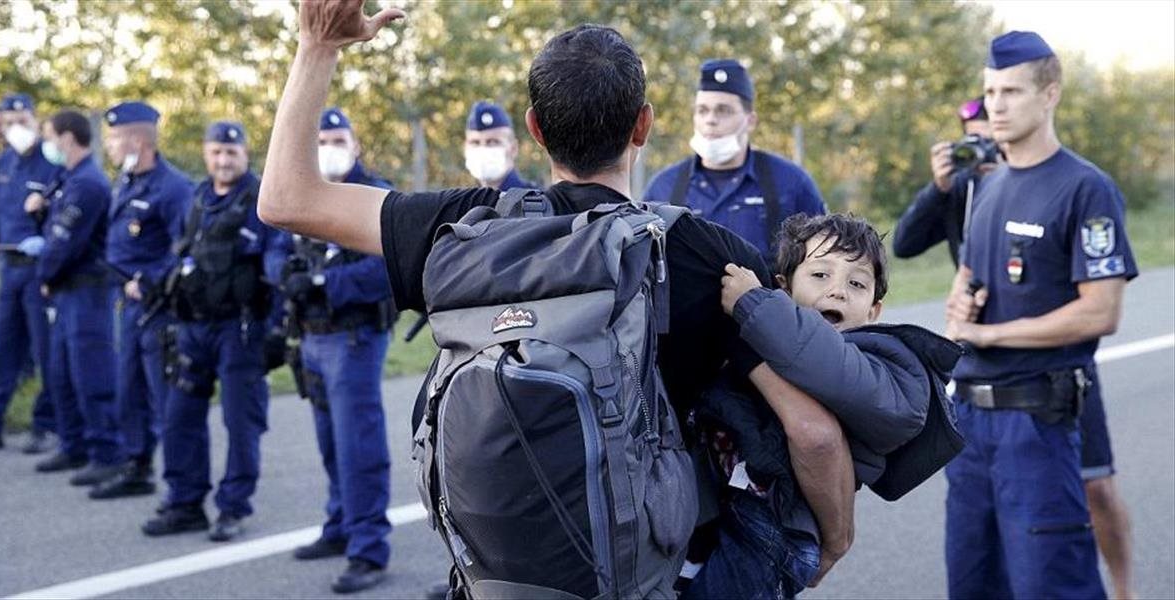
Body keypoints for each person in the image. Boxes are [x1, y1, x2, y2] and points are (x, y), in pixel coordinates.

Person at [257, 3, 854, 595]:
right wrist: (831, 540)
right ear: (643, 126)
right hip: (647, 572)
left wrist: (319, 47)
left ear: (534, 129)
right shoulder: (708, 254)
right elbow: (813, 434)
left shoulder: (465, 227)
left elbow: (286, 199)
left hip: (499, 576)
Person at [944, 31, 1138, 600]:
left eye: (1011, 92)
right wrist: (960, 302)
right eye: (989, 92)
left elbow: (1101, 311)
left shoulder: (1084, 187)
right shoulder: (989, 185)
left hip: (1036, 421)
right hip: (971, 430)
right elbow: (969, 274)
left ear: (1049, 94)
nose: (996, 106)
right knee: (974, 583)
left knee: (1048, 584)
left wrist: (990, 332)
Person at [685, 213, 960, 598]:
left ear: (873, 312)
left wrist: (753, 304)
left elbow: (823, 361)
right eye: (820, 275)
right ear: (785, 286)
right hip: (732, 507)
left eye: (857, 283)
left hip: (777, 527)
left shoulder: (884, 361)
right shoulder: (774, 348)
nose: (837, 291)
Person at [141, 120, 281, 543]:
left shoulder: (262, 200)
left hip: (240, 330)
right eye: (216, 152)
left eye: (231, 153)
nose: (223, 160)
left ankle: (232, 508)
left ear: (245, 155)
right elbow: (182, 253)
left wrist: (275, 332)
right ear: (206, 153)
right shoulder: (199, 198)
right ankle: (185, 502)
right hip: (193, 327)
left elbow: (275, 269)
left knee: (242, 424)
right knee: (180, 416)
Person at [282, 106, 398, 594]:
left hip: (354, 337)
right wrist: (288, 278)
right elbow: (275, 249)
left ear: (354, 144)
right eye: (321, 140)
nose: (328, 148)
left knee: (358, 447)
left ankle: (368, 548)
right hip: (311, 337)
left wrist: (323, 282)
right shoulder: (302, 191)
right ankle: (339, 526)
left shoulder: (378, 195)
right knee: (330, 442)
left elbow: (385, 267)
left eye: (337, 139)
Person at [90, 101, 195, 500]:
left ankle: (180, 487)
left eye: (115, 140)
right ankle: (137, 465)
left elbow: (185, 249)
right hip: (129, 305)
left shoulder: (173, 188)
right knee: (129, 388)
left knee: (165, 397)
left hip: (158, 308)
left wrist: (148, 280)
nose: (111, 148)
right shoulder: (127, 181)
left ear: (136, 140)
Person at [643, 59, 826, 266]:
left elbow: (822, 261)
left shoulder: (791, 183)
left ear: (750, 121)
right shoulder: (663, 188)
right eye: (702, 110)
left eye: (723, 110)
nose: (710, 120)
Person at [31, 109, 126, 485]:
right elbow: (54, 229)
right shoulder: (68, 178)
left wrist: (44, 275)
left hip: (87, 290)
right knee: (61, 372)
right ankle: (75, 445)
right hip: (67, 289)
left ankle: (107, 451)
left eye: (49, 135)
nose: (45, 143)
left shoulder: (88, 183)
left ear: (67, 138)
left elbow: (66, 242)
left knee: (92, 375)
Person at [0, 94, 61, 453]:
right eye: (7, 122)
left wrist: (44, 238)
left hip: (40, 269)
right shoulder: (5, 160)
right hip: (10, 269)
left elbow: (64, 206)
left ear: (34, 118)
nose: (14, 127)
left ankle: (47, 424)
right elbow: (0, 213)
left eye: (21, 120)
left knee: (46, 351)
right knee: (1, 350)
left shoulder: (51, 159)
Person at [893, 97, 999, 267]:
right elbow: (904, 246)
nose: (983, 151)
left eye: (989, 143)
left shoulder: (1032, 183)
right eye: (974, 141)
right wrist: (939, 188)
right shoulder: (962, 187)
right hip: (969, 291)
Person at [462, 100, 537, 190]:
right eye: (475, 142)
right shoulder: (463, 201)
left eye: (492, 142)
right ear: (465, 147)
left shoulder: (534, 199)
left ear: (513, 148)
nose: (483, 149)